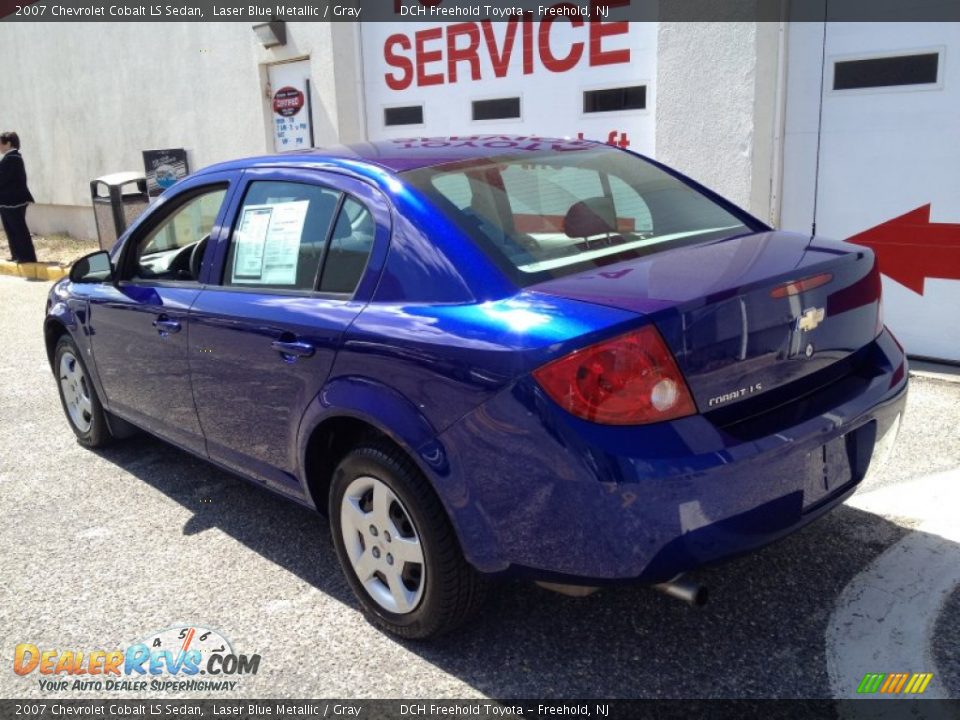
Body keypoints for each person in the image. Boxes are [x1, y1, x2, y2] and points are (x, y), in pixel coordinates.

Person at [0, 131, 37, 263]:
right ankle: (16, 255)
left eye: (1, 143)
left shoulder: (13, 159)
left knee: (19, 230)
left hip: (14, 201)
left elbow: (3, 179)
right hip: (6, 201)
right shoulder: (9, 158)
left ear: (8, 143)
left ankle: (27, 257)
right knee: (10, 230)